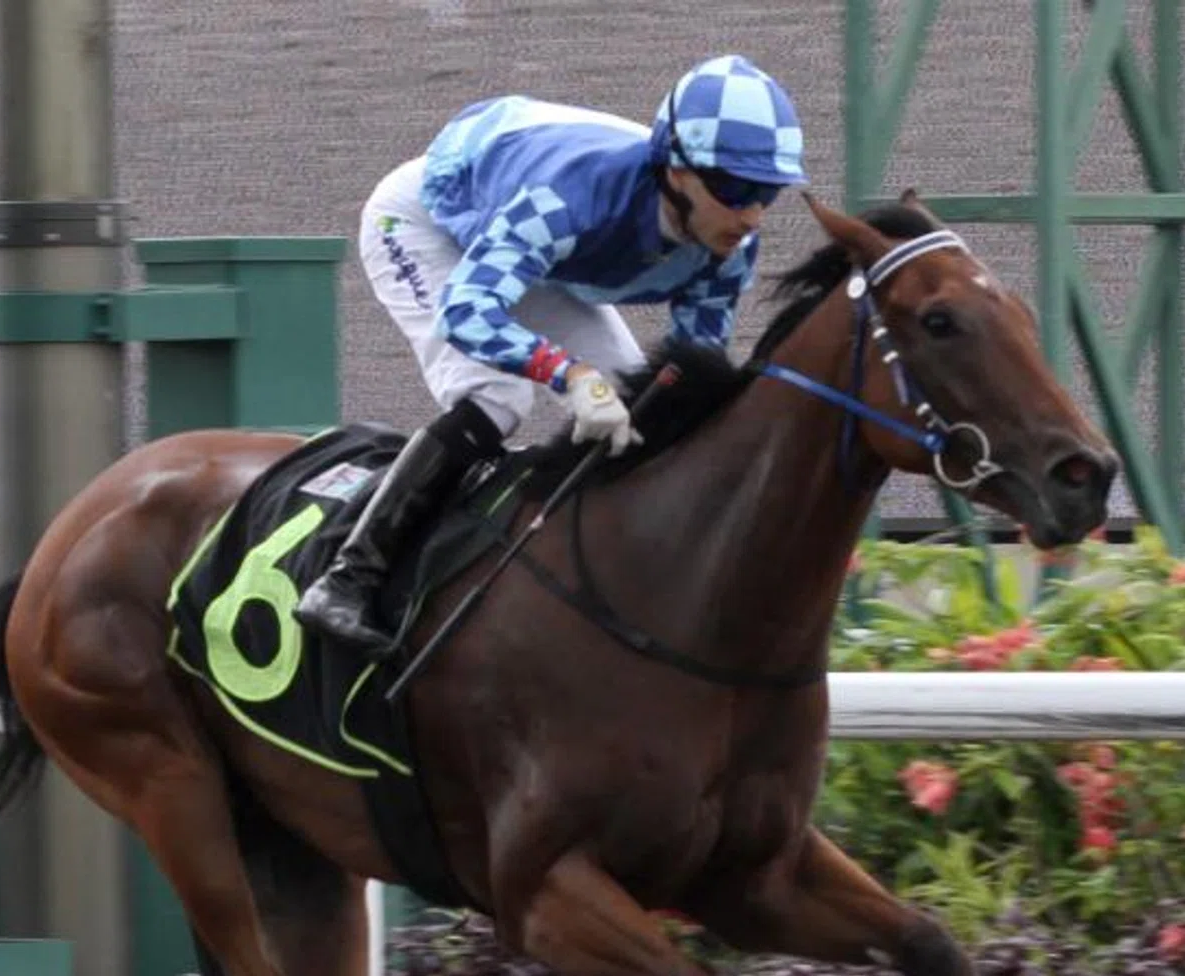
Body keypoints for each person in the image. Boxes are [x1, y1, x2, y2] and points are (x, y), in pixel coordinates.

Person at [293, 54, 811, 656]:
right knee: (498, 396)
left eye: (767, 193)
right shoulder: (568, 198)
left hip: (537, 253)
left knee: (636, 401)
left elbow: (685, 374)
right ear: (675, 168)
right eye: (734, 189)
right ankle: (348, 579)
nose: (750, 215)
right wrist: (566, 375)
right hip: (424, 223)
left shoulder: (731, 248)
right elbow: (467, 313)